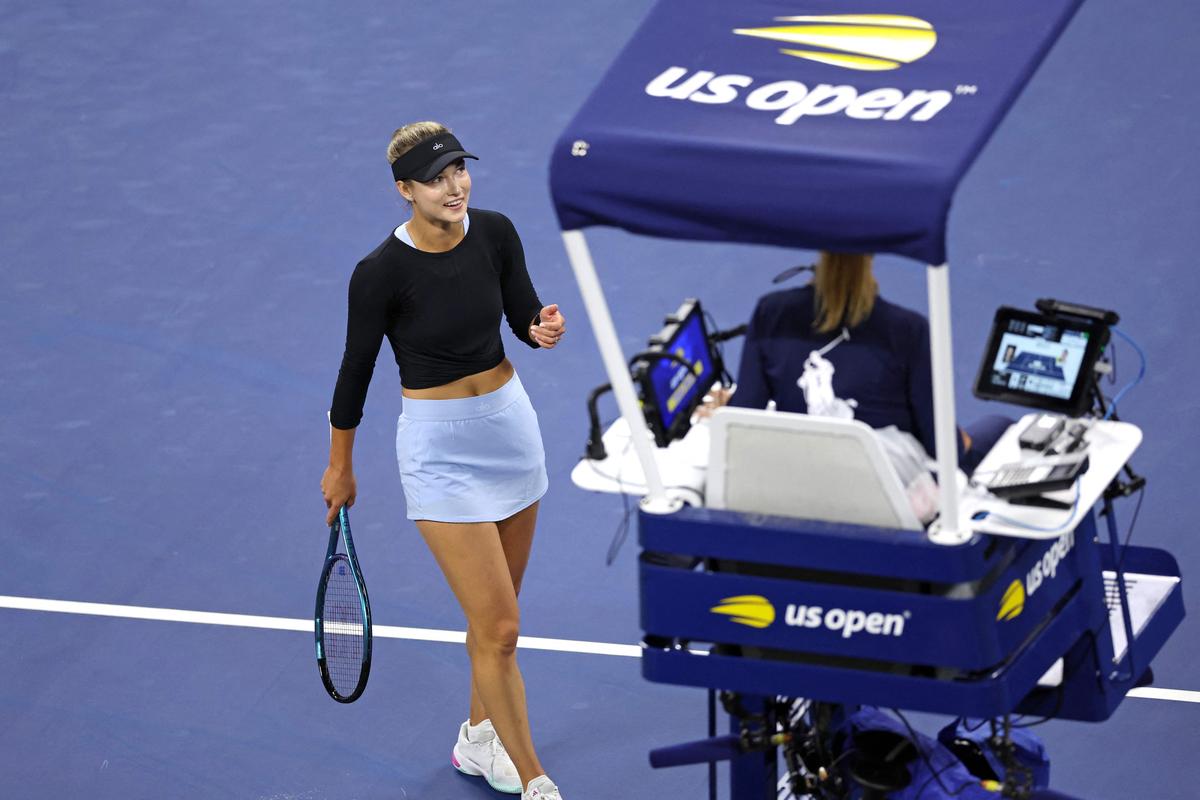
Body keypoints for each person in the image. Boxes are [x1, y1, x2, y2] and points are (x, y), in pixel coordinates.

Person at [320, 122, 567, 800]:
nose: (454, 184)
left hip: (511, 433)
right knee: (503, 628)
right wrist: (341, 466)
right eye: (436, 176)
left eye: (459, 169)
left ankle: (477, 739)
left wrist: (539, 330)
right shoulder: (379, 275)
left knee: (493, 625)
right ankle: (535, 779)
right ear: (405, 190)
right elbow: (354, 373)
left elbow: (521, 313)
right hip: (440, 454)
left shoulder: (495, 232)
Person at [717, 251, 1009, 475]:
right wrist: (961, 444)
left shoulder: (771, 312)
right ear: (872, 255)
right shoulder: (908, 330)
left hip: (796, 479)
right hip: (887, 495)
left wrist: (718, 414)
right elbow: (945, 451)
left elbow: (744, 419)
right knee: (998, 426)